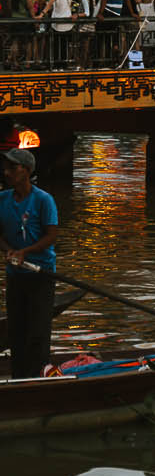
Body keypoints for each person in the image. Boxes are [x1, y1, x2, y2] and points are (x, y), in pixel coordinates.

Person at [1, 148, 59, 378]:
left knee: (37, 333)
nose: (6, 173)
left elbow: (52, 235)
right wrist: (10, 251)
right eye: (5, 168)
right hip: (16, 276)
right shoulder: (3, 199)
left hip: (41, 274)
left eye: (12, 168)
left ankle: (37, 377)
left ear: (25, 171)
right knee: (16, 331)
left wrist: (25, 252)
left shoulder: (43, 200)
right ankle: (18, 377)